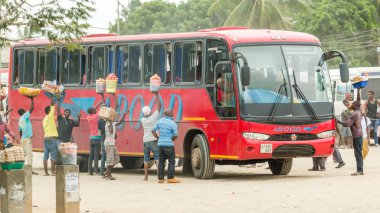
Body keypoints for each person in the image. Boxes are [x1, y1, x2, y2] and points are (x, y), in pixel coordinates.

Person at [152, 108, 180, 183]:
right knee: (171, 161)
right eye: (172, 113)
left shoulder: (160, 121)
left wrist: (158, 138)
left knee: (161, 161)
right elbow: (175, 135)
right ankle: (170, 178)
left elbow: (153, 130)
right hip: (169, 145)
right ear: (170, 114)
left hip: (160, 144)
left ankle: (160, 178)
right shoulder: (172, 123)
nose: (173, 114)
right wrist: (172, 139)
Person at [104, 93, 128, 180]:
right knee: (110, 160)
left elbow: (119, 122)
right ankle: (108, 175)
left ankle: (107, 172)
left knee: (116, 159)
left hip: (112, 144)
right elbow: (111, 131)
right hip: (109, 144)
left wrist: (124, 116)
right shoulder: (108, 123)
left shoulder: (112, 122)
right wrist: (110, 121)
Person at [336, 100, 364, 176]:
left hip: (356, 136)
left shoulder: (354, 114)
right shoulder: (359, 112)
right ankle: (360, 169)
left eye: (353, 104)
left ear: (355, 106)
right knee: (359, 153)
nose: (351, 105)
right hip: (360, 134)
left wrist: (338, 121)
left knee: (357, 153)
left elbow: (347, 124)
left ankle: (360, 170)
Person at [141, 91, 161, 181]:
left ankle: (146, 176)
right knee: (157, 157)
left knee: (146, 159)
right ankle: (158, 175)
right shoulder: (153, 117)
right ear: (150, 112)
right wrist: (156, 95)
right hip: (153, 140)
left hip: (145, 141)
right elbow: (159, 106)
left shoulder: (142, 120)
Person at [18, 96, 38, 174]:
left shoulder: (20, 120)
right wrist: (32, 99)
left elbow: (20, 131)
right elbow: (32, 108)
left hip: (23, 139)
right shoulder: (25, 116)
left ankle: (22, 168)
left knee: (24, 154)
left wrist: (21, 140)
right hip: (26, 139)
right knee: (29, 155)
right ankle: (29, 170)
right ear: (24, 112)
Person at [56, 98, 81, 164]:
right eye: (66, 112)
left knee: (65, 154)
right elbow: (58, 110)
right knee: (58, 153)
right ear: (64, 113)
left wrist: (79, 118)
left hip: (67, 141)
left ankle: (64, 164)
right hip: (59, 139)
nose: (68, 113)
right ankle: (58, 165)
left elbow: (78, 124)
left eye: (69, 112)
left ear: (70, 114)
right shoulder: (60, 119)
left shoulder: (71, 121)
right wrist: (58, 101)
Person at [87, 94, 105, 175]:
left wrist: (97, 104)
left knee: (91, 155)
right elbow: (101, 110)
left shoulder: (89, 117)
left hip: (91, 138)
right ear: (93, 112)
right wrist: (100, 102)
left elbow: (93, 110)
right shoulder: (95, 116)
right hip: (97, 138)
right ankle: (96, 171)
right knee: (96, 155)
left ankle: (90, 171)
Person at [42, 95, 59, 176]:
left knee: (45, 156)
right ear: (49, 111)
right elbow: (52, 105)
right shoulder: (50, 117)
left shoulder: (44, 119)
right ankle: (52, 172)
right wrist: (51, 95)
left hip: (46, 138)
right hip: (52, 139)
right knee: (53, 155)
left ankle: (46, 172)